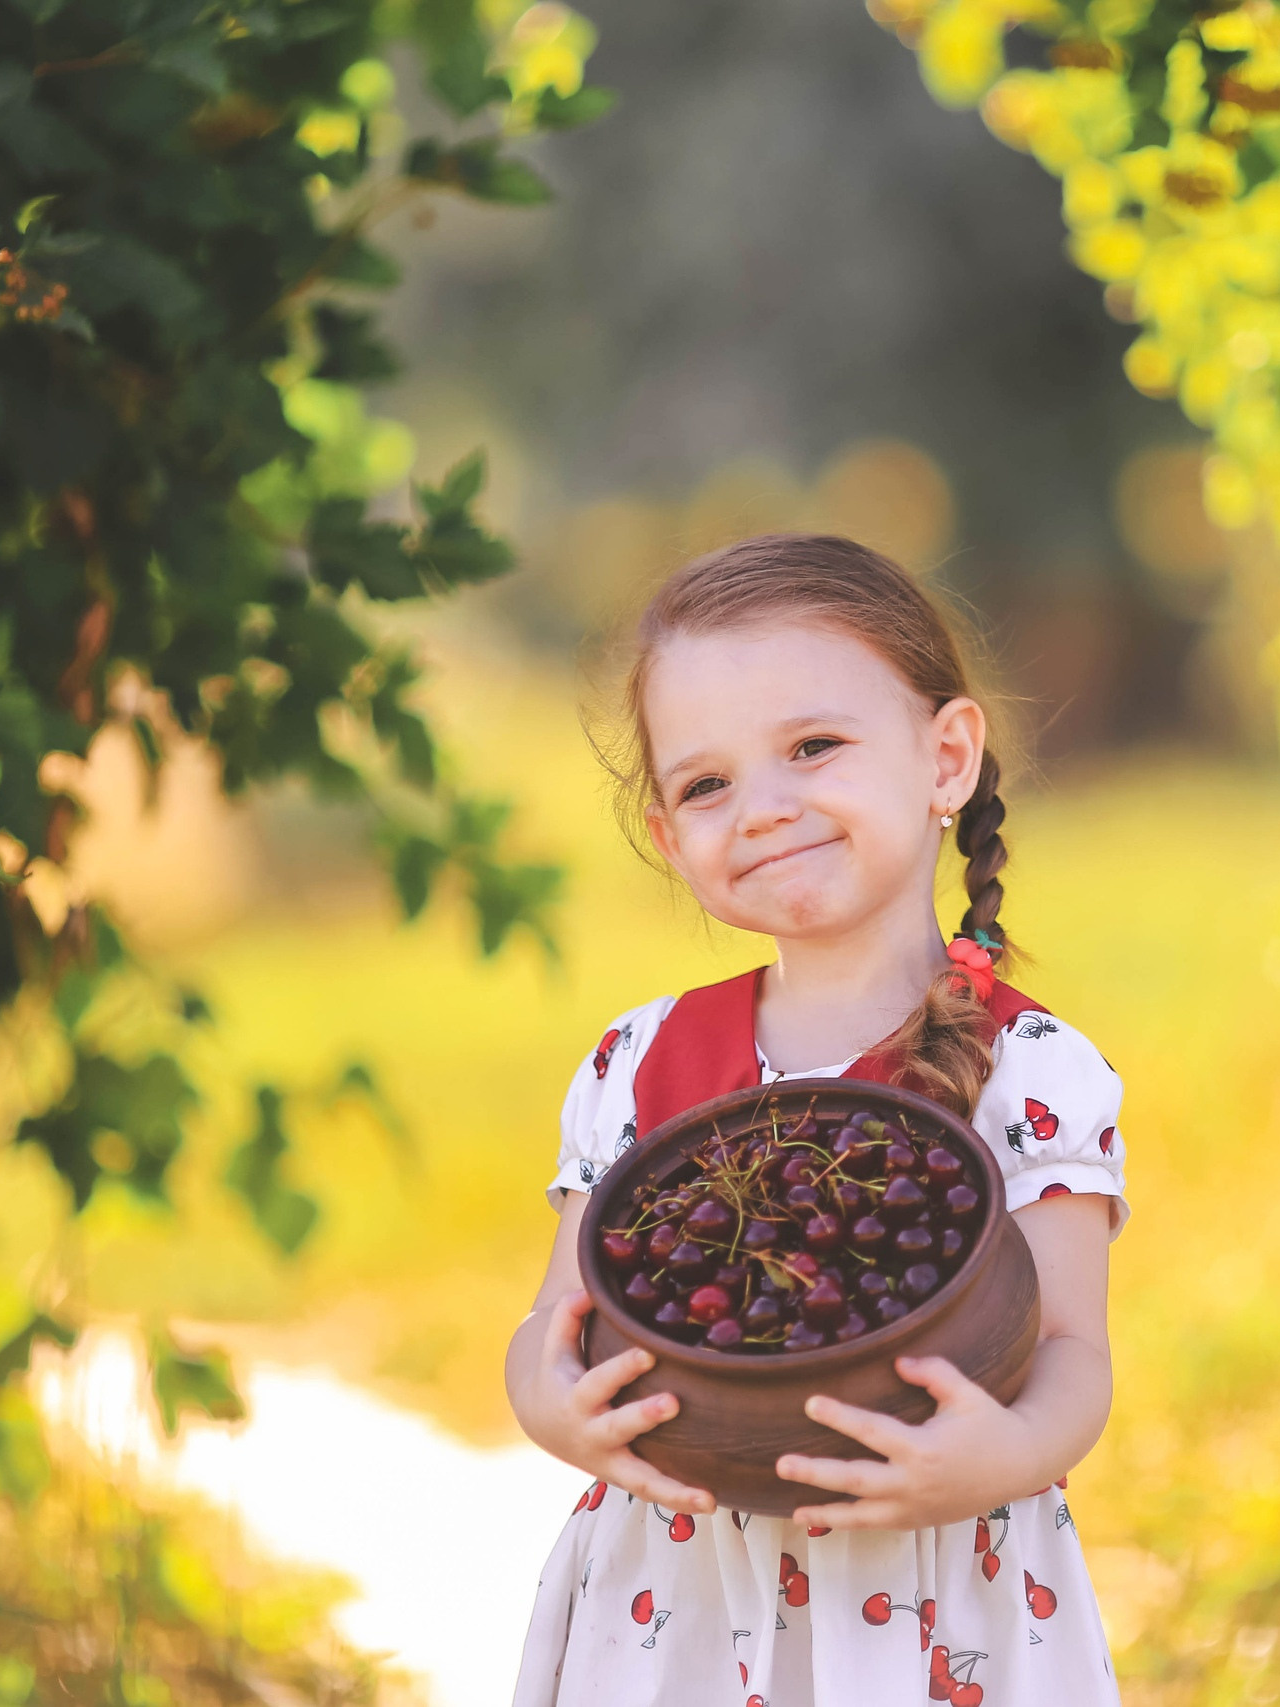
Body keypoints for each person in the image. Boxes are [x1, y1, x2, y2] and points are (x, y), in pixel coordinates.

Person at [504, 534, 1128, 1706]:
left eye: (812, 748)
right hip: (682, 1601)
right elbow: (553, 1324)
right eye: (706, 785)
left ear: (945, 758)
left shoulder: (1029, 1068)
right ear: (668, 835)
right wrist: (559, 1413)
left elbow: (1071, 1356)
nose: (763, 809)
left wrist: (999, 1457)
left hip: (932, 1590)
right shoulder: (638, 1062)